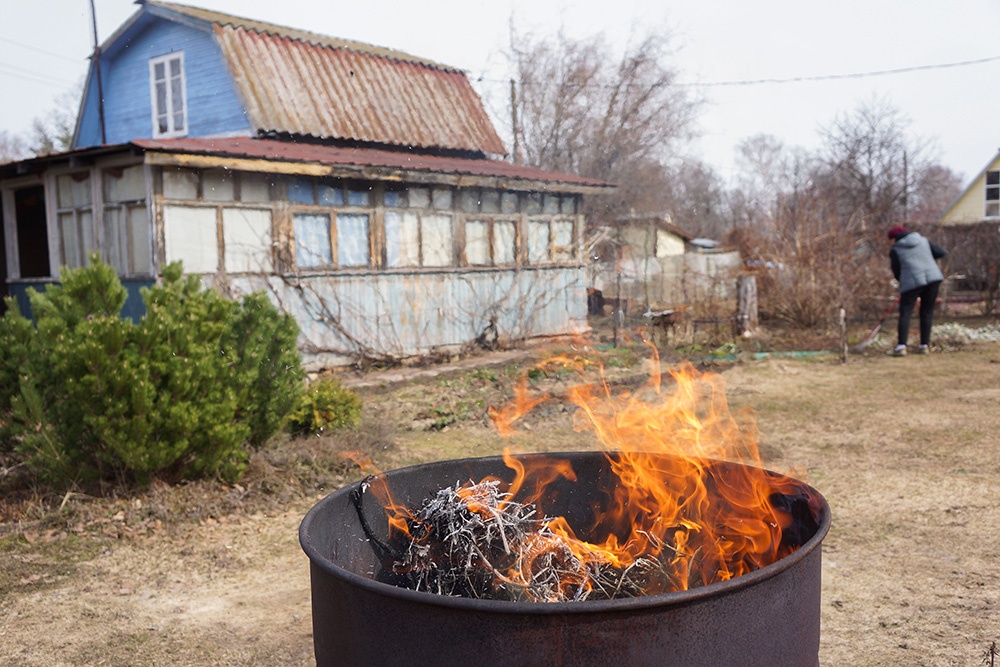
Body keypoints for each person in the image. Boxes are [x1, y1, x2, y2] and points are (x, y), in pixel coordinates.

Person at [886, 225, 947, 356]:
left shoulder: (896, 249)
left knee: (905, 312)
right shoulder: (923, 240)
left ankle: (901, 347)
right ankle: (924, 346)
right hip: (933, 278)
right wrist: (926, 259)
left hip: (912, 281)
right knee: (927, 312)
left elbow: (897, 271)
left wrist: (902, 282)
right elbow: (941, 252)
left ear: (894, 238)